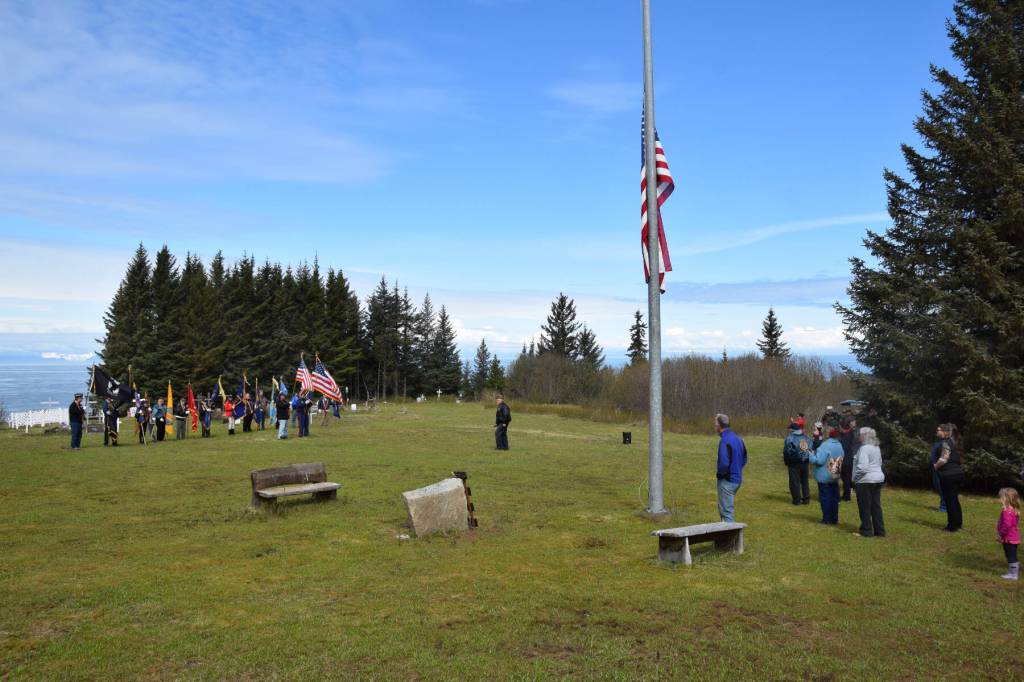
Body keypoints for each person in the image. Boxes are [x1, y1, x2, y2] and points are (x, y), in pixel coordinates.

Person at [852, 426, 886, 537]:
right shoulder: (876, 447)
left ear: (864, 435)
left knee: (864, 506)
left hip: (865, 480)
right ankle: (880, 531)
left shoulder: (864, 448)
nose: (859, 437)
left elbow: (862, 467)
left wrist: (855, 479)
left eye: (860, 434)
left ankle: (866, 530)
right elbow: (880, 463)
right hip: (877, 479)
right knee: (876, 506)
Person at [714, 413, 747, 522]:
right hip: (737, 479)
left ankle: (731, 538)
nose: (714, 426)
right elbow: (744, 459)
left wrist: (720, 475)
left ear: (720, 426)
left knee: (726, 513)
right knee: (725, 510)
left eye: (715, 424)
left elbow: (724, 464)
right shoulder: (738, 439)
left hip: (727, 481)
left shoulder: (724, 441)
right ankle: (724, 537)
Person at [808, 427, 844, 525]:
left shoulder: (825, 445)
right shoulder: (839, 445)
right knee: (834, 498)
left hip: (825, 476)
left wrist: (811, 455)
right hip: (834, 474)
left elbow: (819, 460)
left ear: (829, 435)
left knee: (825, 498)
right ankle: (834, 518)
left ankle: (826, 519)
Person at [933, 423, 965, 532]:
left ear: (947, 432)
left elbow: (943, 459)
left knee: (949, 500)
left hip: (948, 475)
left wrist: (935, 466)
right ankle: (958, 523)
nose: (939, 432)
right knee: (954, 499)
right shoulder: (956, 443)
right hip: (958, 474)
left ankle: (952, 526)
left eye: (941, 430)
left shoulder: (946, 443)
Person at [782, 421, 811, 505]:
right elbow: (811, 447)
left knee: (794, 481)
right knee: (805, 481)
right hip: (805, 461)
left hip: (794, 462)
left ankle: (797, 500)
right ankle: (806, 499)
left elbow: (787, 451)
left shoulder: (790, 438)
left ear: (792, 430)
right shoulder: (806, 437)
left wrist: (786, 461)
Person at [996, 487, 1020, 580]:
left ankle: (1013, 574)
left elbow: (1007, 525)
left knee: (1010, 555)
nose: (999, 499)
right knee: (1011, 555)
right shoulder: (1013, 509)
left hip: (1009, 538)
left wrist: (1001, 534)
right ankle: (1013, 571)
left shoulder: (1007, 511)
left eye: (1001, 497)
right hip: (1013, 537)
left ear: (1006, 499)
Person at [928, 430, 948, 513]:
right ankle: (945, 504)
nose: (936, 431)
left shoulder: (946, 443)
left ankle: (944, 507)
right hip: (935, 469)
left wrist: (937, 465)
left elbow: (945, 457)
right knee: (937, 486)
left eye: (938, 430)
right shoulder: (937, 443)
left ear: (944, 432)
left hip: (940, 469)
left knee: (941, 487)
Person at [839, 417, 857, 501]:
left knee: (845, 477)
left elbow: (844, 446)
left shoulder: (848, 433)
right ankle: (847, 494)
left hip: (846, 458)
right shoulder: (849, 432)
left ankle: (847, 496)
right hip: (848, 457)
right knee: (846, 477)